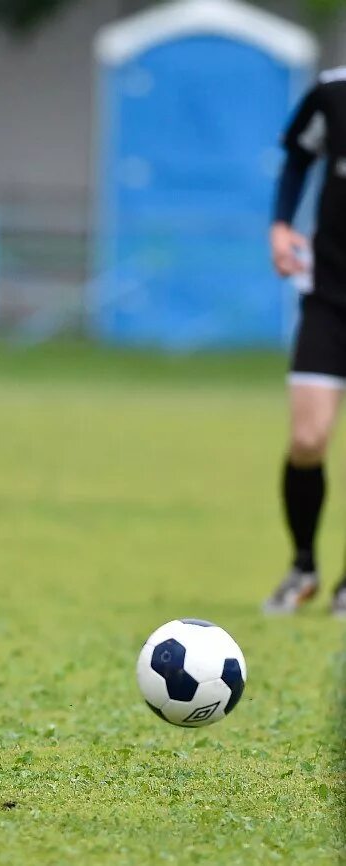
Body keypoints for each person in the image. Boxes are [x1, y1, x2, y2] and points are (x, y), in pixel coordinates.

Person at [263, 66, 346, 616]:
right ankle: (302, 565)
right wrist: (280, 224)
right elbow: (298, 156)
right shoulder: (333, 92)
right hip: (330, 297)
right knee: (309, 439)